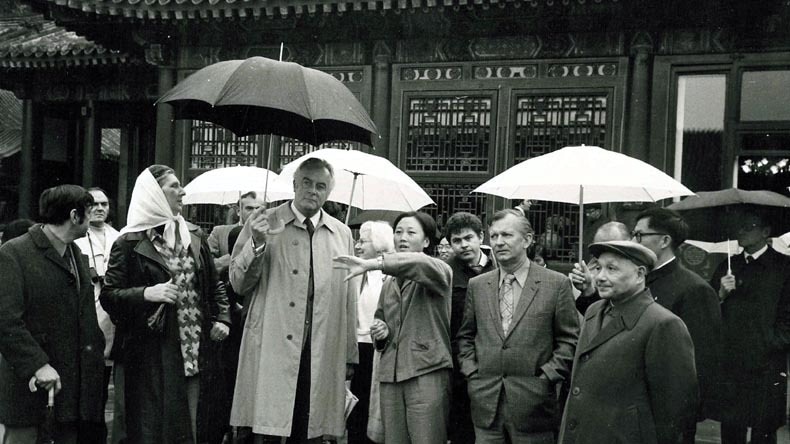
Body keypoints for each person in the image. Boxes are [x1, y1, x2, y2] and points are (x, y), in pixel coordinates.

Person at [229, 157, 358, 443]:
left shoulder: (342, 233)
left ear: (329, 191)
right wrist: (257, 243)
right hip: (272, 344)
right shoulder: (264, 221)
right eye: (307, 183)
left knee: (310, 427)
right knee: (268, 428)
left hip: (320, 347)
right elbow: (238, 283)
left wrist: (350, 354)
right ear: (294, 185)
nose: (313, 191)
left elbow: (349, 298)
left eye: (321, 186)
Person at [101, 165, 231, 444]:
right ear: (154, 194)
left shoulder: (193, 237)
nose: (182, 191)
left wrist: (222, 317)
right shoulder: (128, 241)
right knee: (152, 428)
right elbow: (109, 296)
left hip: (194, 347)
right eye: (174, 186)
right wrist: (148, 293)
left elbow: (213, 284)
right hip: (150, 353)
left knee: (192, 425)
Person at [456, 209, 579, 443]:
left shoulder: (556, 284)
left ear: (528, 239)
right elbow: (466, 336)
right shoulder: (478, 285)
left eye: (507, 235)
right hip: (486, 403)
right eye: (494, 236)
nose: (499, 242)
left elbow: (570, 340)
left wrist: (546, 378)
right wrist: (472, 373)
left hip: (534, 406)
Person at [559, 240, 698, 444]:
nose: (600, 277)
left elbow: (674, 410)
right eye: (598, 268)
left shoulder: (662, 323)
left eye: (612, 269)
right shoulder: (593, 311)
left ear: (640, 274)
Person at [333, 211, 453, 444]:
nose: (402, 237)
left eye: (411, 232)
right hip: (391, 375)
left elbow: (418, 263)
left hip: (425, 371)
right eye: (398, 232)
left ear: (427, 241)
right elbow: (381, 322)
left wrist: (374, 263)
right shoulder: (389, 283)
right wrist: (381, 332)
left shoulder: (439, 269)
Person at [0, 185, 106, 444]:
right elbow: (5, 319)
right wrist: (37, 364)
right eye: (89, 212)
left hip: (72, 394)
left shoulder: (77, 254)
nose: (93, 219)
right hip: (29, 388)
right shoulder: (14, 253)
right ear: (74, 216)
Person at [631, 207, 722, 442]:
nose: (633, 241)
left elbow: (700, 361)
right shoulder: (637, 281)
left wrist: (684, 415)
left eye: (640, 235)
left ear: (664, 240)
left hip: (667, 413)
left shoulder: (693, 289)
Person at [710, 207, 790, 444]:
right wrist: (721, 294)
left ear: (766, 232)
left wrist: (769, 342)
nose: (741, 232)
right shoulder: (728, 265)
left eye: (749, 227)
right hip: (732, 362)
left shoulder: (784, 267)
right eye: (739, 227)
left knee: (763, 431)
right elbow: (708, 310)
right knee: (731, 429)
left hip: (766, 363)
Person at [442, 211, 494, 444]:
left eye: (468, 238)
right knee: (462, 427)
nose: (463, 245)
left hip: (494, 357)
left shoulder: (499, 266)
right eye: (456, 240)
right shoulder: (445, 272)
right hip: (459, 362)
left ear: (481, 237)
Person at [74, 187, 121, 435]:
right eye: (94, 204)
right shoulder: (77, 238)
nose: (100, 208)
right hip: (89, 311)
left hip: (113, 314)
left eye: (104, 204)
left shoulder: (120, 236)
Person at [348, 221, 394, 444]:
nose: (357, 246)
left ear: (378, 244)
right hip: (358, 347)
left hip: (382, 347)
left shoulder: (391, 274)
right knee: (358, 407)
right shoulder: (355, 271)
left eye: (362, 241)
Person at [569, 221, 630, 315]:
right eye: (598, 249)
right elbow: (596, 316)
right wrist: (588, 290)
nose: (600, 277)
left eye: (610, 248)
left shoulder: (638, 270)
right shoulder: (592, 266)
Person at [207, 191, 264, 275]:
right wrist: (235, 256)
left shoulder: (269, 236)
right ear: (238, 211)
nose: (254, 212)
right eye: (249, 208)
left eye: (258, 208)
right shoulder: (219, 233)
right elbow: (207, 266)